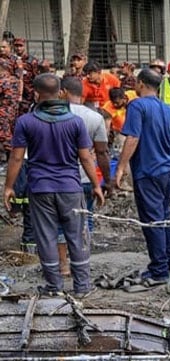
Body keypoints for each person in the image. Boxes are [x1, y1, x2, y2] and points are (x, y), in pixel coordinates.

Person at [3, 73, 104, 296]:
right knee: (76, 235)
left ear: (37, 94)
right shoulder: (75, 122)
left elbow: (17, 158)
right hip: (71, 187)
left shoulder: (26, 122)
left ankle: (54, 286)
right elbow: (86, 157)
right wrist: (96, 185)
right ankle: (82, 287)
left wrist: (8, 187)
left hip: (40, 188)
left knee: (46, 236)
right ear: (60, 93)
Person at [114, 68, 170, 286]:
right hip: (166, 170)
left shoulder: (137, 105)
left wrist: (121, 167)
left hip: (148, 170)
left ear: (141, 84)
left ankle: (159, 269)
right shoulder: (168, 110)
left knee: (152, 220)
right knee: (164, 215)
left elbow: (132, 137)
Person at [59, 76, 112, 275]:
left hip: (60, 180)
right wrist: (106, 180)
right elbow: (102, 152)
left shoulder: (52, 115)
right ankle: (82, 261)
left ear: (63, 92)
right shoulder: (95, 117)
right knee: (86, 220)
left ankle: (63, 264)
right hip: (86, 178)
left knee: (60, 223)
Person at [12, 38, 40, 117]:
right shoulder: (11, 60)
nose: (18, 48)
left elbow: (36, 77)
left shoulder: (32, 61)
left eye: (20, 46)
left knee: (28, 115)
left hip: (28, 94)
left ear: (25, 46)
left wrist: (36, 92)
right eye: (16, 46)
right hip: (14, 92)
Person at [0, 57, 20, 163]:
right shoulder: (14, 80)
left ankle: (9, 160)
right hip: (13, 112)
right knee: (10, 134)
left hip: (3, 113)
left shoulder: (2, 81)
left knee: (4, 137)